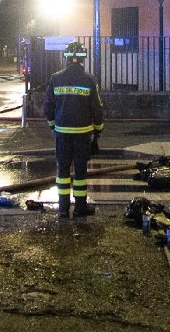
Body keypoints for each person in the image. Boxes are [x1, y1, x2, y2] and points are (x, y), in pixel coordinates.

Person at [43, 41, 104, 218]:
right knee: (80, 172)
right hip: (83, 134)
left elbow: (48, 106)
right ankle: (79, 208)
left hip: (62, 133)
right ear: (83, 58)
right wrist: (98, 130)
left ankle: (63, 209)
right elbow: (97, 109)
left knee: (62, 171)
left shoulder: (55, 78)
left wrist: (53, 126)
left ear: (66, 58)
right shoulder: (90, 79)